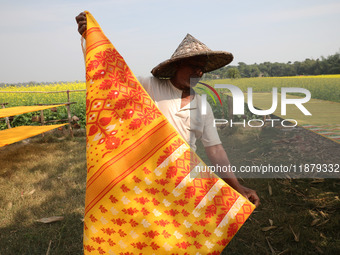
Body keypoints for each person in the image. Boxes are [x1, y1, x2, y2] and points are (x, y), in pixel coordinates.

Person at [76, 12, 260, 207]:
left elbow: (215, 150)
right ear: (178, 65)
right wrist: (92, 38)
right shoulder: (150, 86)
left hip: (184, 180)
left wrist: (237, 187)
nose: (198, 72)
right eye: (194, 66)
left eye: (202, 69)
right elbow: (112, 82)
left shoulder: (203, 106)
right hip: (145, 178)